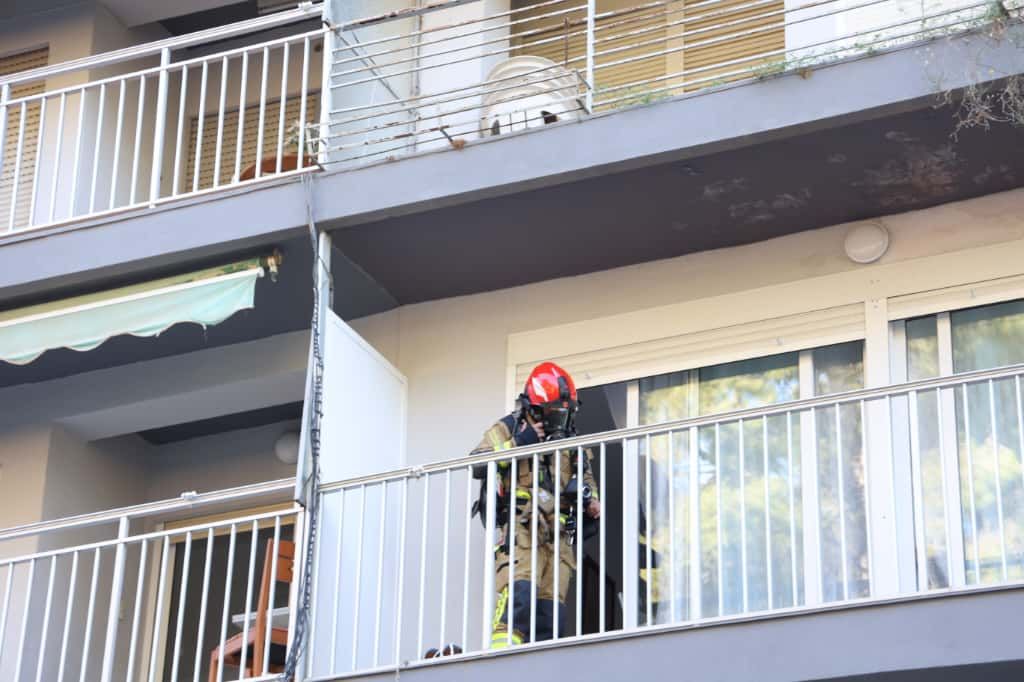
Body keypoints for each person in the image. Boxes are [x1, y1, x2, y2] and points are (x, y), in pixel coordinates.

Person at [471, 362, 601, 648]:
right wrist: (520, 442)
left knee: (551, 612)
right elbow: (478, 463)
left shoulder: (572, 443)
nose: (560, 418)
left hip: (559, 537)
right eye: (555, 411)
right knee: (520, 590)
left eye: (565, 411)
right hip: (522, 526)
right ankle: (504, 656)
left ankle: (542, 664)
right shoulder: (510, 426)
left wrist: (590, 502)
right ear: (536, 408)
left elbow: (589, 485)